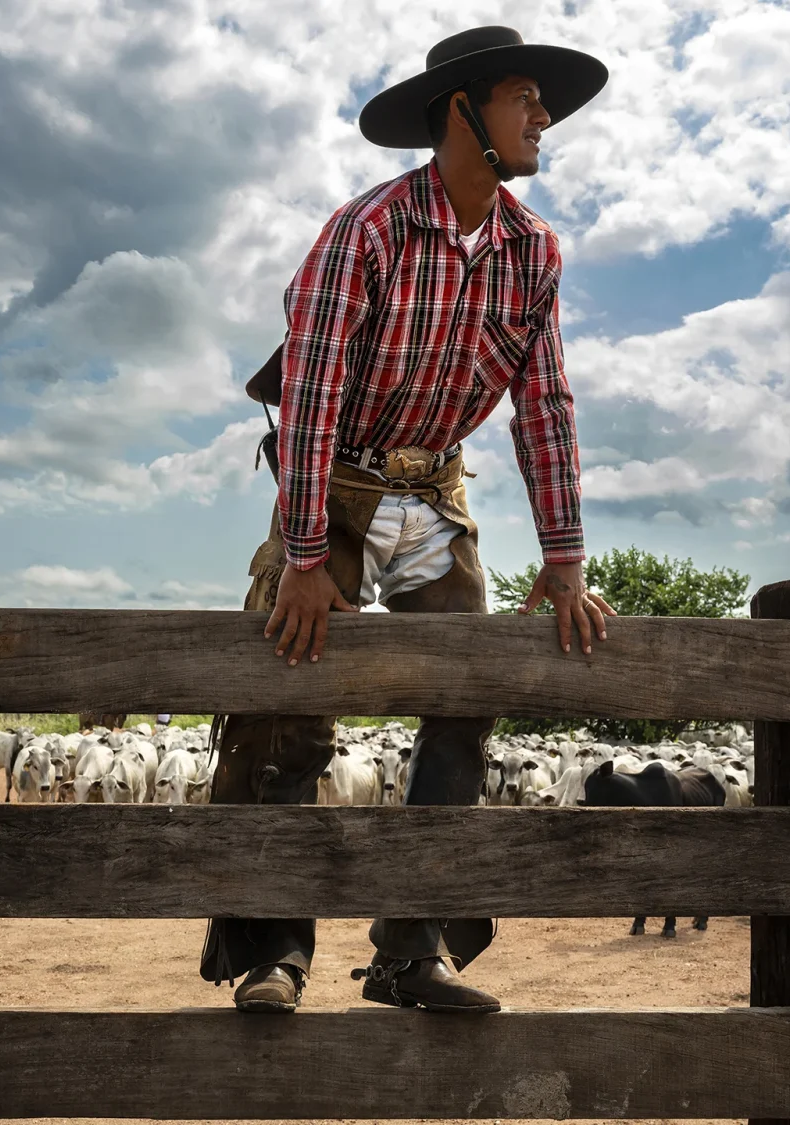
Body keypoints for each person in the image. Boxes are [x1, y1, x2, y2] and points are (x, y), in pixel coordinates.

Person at [202, 25, 615, 1014]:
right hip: (335, 482)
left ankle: (410, 949)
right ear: (463, 112)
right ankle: (273, 952)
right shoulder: (367, 231)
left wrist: (565, 558)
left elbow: (544, 402)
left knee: (466, 695)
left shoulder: (533, 251)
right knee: (287, 695)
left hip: (435, 488)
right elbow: (308, 391)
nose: (543, 118)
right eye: (525, 98)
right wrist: (304, 553)